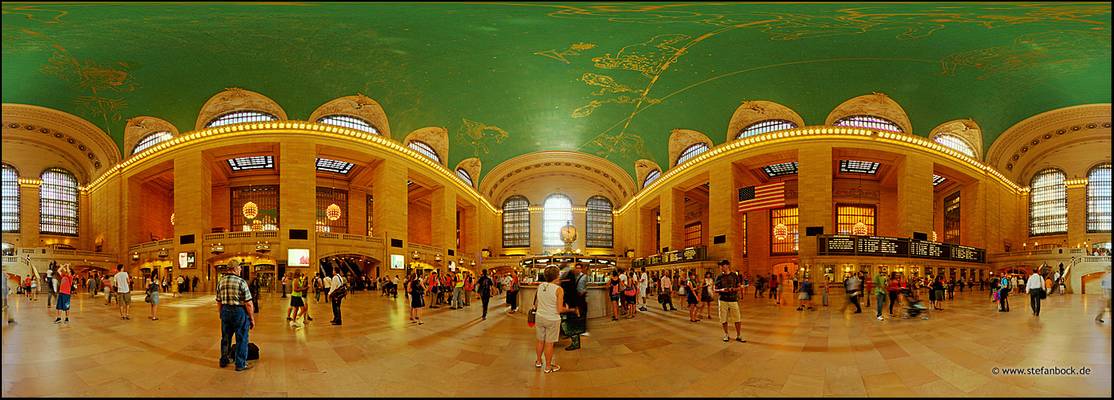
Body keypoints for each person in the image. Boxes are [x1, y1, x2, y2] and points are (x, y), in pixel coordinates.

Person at [532, 265, 579, 374]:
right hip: (552, 319)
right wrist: (570, 309)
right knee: (549, 343)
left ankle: (538, 361)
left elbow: (536, 304)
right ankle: (548, 367)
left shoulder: (540, 286)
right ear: (557, 275)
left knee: (540, 341)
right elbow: (559, 309)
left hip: (539, 317)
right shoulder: (559, 290)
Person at [216, 263, 255, 371]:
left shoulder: (221, 281)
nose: (240, 269)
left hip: (225, 310)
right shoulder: (241, 281)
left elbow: (218, 301)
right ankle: (240, 364)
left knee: (225, 338)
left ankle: (224, 360)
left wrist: (221, 313)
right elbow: (248, 303)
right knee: (242, 338)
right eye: (239, 268)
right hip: (239, 312)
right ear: (234, 268)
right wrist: (252, 318)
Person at [713, 260, 745, 343]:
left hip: (733, 299)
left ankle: (739, 335)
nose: (720, 268)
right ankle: (726, 334)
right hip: (722, 300)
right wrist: (722, 290)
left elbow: (739, 287)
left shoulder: (734, 275)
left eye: (722, 266)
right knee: (723, 318)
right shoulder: (719, 277)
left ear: (727, 266)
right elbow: (715, 289)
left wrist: (734, 289)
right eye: (720, 266)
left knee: (737, 318)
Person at [565, 263, 589, 351]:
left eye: (579, 268)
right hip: (575, 299)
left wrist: (583, 292)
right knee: (575, 318)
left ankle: (577, 338)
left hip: (580, 299)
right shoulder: (574, 277)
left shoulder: (584, 277)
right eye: (576, 268)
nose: (578, 269)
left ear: (581, 269)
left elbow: (586, 287)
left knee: (578, 317)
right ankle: (574, 335)